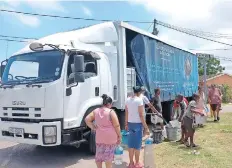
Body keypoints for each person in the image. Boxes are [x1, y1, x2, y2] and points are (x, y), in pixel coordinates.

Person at [85, 94, 121, 168]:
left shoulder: (96, 111)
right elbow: (117, 125)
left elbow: (87, 119)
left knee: (99, 156)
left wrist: (93, 127)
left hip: (99, 138)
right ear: (109, 104)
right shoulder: (111, 112)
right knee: (108, 157)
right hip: (110, 139)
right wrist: (119, 136)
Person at [125, 86, 150, 168]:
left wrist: (126, 124)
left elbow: (126, 113)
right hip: (137, 124)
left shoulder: (128, 100)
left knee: (131, 145)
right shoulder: (139, 100)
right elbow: (141, 115)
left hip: (130, 124)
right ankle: (137, 163)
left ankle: (131, 163)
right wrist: (146, 127)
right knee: (137, 145)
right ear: (139, 92)